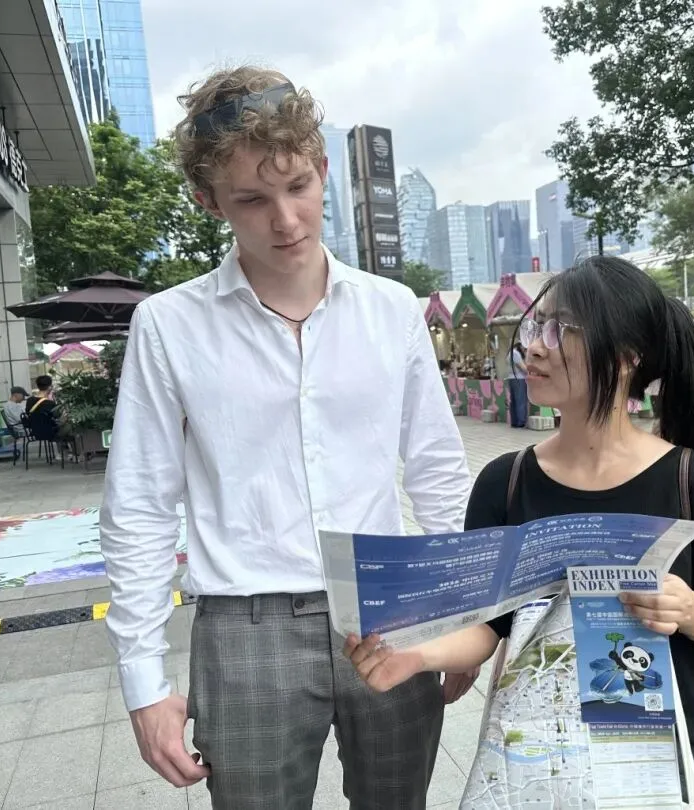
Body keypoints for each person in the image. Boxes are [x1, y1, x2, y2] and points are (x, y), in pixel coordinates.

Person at [98, 65, 474, 810]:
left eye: (298, 186)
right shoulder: (169, 326)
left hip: (390, 609)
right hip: (246, 627)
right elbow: (139, 503)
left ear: (323, 169)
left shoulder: (392, 310)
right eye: (251, 199)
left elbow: (437, 470)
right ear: (209, 200)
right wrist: (144, 682)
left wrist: (461, 618)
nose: (287, 220)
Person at [342, 256, 694, 809]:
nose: (535, 347)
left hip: (664, 766)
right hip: (541, 765)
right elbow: (488, 626)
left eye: (561, 330)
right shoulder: (507, 482)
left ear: (626, 357)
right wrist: (415, 656)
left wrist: (692, 611)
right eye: (538, 327)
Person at [505, 341, 528, 428]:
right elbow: (523, 368)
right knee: (521, 400)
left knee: (514, 401)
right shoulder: (516, 353)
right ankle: (521, 421)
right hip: (519, 379)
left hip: (511, 378)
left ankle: (514, 421)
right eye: (524, 348)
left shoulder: (510, 353)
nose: (524, 350)